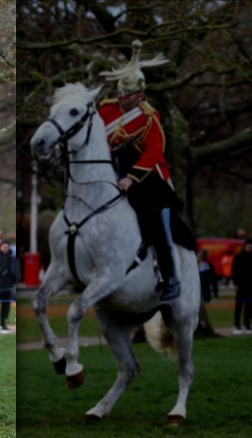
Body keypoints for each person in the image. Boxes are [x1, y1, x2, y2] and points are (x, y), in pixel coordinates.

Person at [98, 39, 187, 302]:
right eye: (121, 93)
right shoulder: (106, 109)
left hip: (147, 178)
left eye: (129, 95)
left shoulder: (149, 118)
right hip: (111, 172)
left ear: (140, 94)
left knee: (157, 226)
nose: (124, 99)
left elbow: (153, 153)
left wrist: (131, 178)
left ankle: (170, 278)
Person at [231, 241, 252, 334]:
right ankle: (237, 325)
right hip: (241, 285)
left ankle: (247, 325)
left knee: (250, 306)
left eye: (251, 247)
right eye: (248, 247)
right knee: (239, 306)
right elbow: (234, 271)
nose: (249, 249)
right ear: (244, 247)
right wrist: (236, 284)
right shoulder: (238, 257)